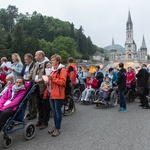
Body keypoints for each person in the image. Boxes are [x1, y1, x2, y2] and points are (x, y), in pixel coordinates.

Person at [25, 50, 51, 130]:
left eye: (36, 55)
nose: (35, 57)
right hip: (36, 87)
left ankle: (45, 122)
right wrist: (25, 79)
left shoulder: (47, 64)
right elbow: (31, 72)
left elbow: (48, 75)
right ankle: (40, 119)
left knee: (45, 105)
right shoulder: (36, 64)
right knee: (39, 104)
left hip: (43, 87)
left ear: (40, 56)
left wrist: (40, 80)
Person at [48, 54, 67, 137]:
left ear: (58, 61)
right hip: (51, 92)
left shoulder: (62, 70)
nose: (51, 61)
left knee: (57, 111)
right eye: (51, 60)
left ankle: (58, 128)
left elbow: (63, 82)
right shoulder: (52, 70)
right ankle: (55, 126)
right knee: (54, 111)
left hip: (58, 93)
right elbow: (51, 82)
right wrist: (47, 80)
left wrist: (52, 79)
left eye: (53, 60)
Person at [21, 53, 36, 120]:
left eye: (26, 59)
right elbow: (22, 73)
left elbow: (33, 74)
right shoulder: (25, 65)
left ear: (30, 59)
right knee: (28, 99)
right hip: (24, 83)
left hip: (31, 83)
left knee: (33, 99)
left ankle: (33, 113)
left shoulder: (34, 65)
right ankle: (29, 112)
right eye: (24, 59)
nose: (25, 60)